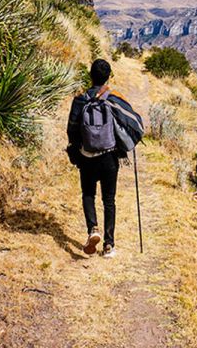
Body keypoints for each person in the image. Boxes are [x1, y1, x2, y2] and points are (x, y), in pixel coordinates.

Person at [66, 59, 144, 257]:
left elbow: (72, 130)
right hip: (109, 157)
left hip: (86, 156)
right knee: (109, 200)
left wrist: (77, 150)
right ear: (108, 76)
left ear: (91, 76)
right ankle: (109, 245)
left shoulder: (80, 99)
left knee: (88, 194)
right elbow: (132, 122)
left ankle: (93, 229)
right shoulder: (114, 98)